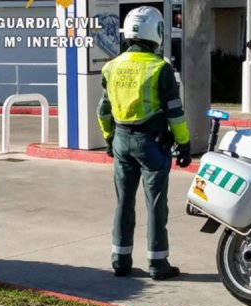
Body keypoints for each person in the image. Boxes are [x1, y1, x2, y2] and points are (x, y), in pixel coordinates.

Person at [96, 6, 191, 280]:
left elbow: (103, 109)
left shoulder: (111, 67)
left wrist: (109, 138)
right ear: (156, 33)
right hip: (152, 144)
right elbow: (175, 112)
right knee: (156, 204)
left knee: (123, 202)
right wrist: (184, 145)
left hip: (121, 140)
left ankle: (120, 261)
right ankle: (158, 264)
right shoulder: (160, 68)